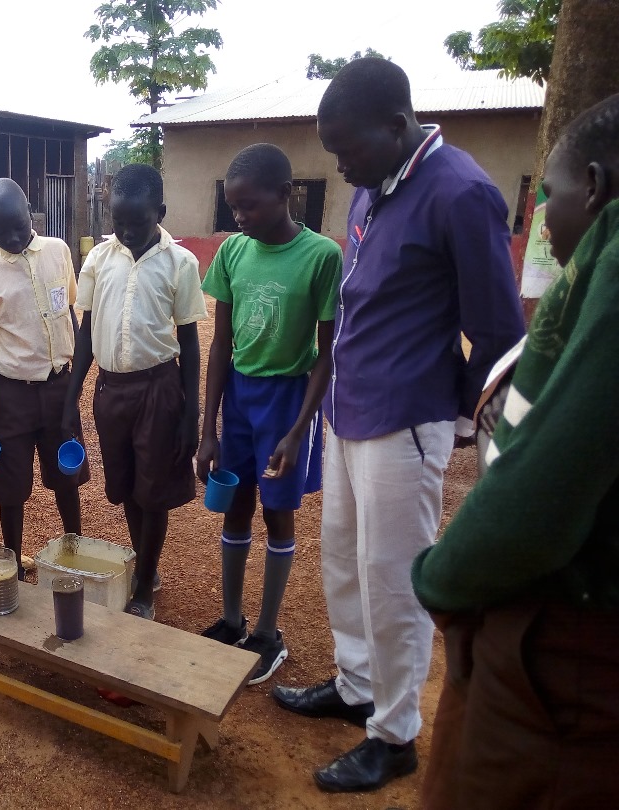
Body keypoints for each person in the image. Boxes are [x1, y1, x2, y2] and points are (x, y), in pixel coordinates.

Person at [269, 57, 526, 793]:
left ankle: (396, 733)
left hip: (406, 423)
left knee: (395, 579)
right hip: (352, 411)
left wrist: (468, 424)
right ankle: (356, 687)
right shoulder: (371, 190)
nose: (341, 169)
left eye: (348, 151)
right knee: (345, 562)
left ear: (397, 123)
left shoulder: (462, 193)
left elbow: (499, 331)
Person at [412, 93, 619, 810]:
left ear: (594, 186)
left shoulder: (613, 268)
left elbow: (548, 482)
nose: (542, 222)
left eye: (550, 195)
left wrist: (442, 578)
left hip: (568, 644)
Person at [196, 144, 341, 682]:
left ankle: (267, 633)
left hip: (287, 401)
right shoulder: (234, 252)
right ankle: (232, 620)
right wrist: (207, 429)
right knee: (235, 505)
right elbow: (220, 344)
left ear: (285, 195)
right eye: (233, 208)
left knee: (278, 513)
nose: (240, 217)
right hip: (239, 394)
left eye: (250, 206)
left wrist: (299, 431)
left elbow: (327, 355)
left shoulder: (322, 256)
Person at [64, 164, 205, 618]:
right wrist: (72, 398)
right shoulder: (98, 261)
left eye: (137, 222)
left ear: (159, 213)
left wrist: (191, 414)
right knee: (125, 487)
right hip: (112, 392)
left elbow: (189, 342)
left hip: (159, 390)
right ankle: (146, 563)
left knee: (154, 491)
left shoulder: (180, 263)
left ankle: (144, 582)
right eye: (117, 222)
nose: (125, 231)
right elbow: (86, 334)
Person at [0, 178, 89, 578]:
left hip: (57, 388)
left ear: (30, 211)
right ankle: (15, 561)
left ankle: (74, 553)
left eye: (20, 225)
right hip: (11, 396)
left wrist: (72, 395)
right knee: (10, 488)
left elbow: (68, 315)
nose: (15, 236)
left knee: (66, 477)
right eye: (3, 231)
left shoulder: (58, 251)